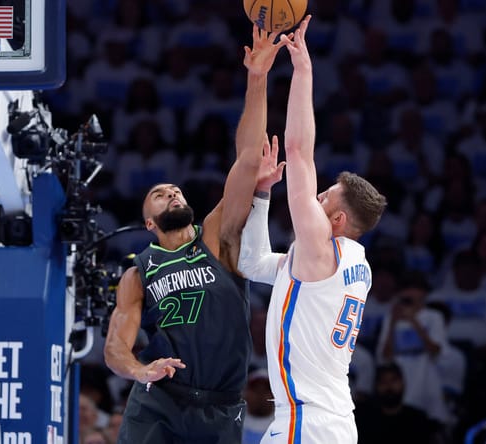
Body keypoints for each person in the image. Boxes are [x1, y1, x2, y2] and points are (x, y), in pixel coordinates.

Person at [103, 23, 286, 443]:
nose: (170, 191)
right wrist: (140, 370)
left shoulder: (217, 240)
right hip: (159, 400)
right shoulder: (139, 273)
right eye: (158, 193)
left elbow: (246, 158)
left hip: (221, 406)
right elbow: (115, 347)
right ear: (148, 223)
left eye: (175, 189)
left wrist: (256, 78)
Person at [237, 16, 387, 443]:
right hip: (331, 420)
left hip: (309, 421)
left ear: (337, 221)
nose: (313, 200)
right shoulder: (350, 263)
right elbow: (252, 263)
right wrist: (263, 193)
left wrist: (302, 71)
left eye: (324, 199)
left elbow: (299, 152)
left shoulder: (321, 252)